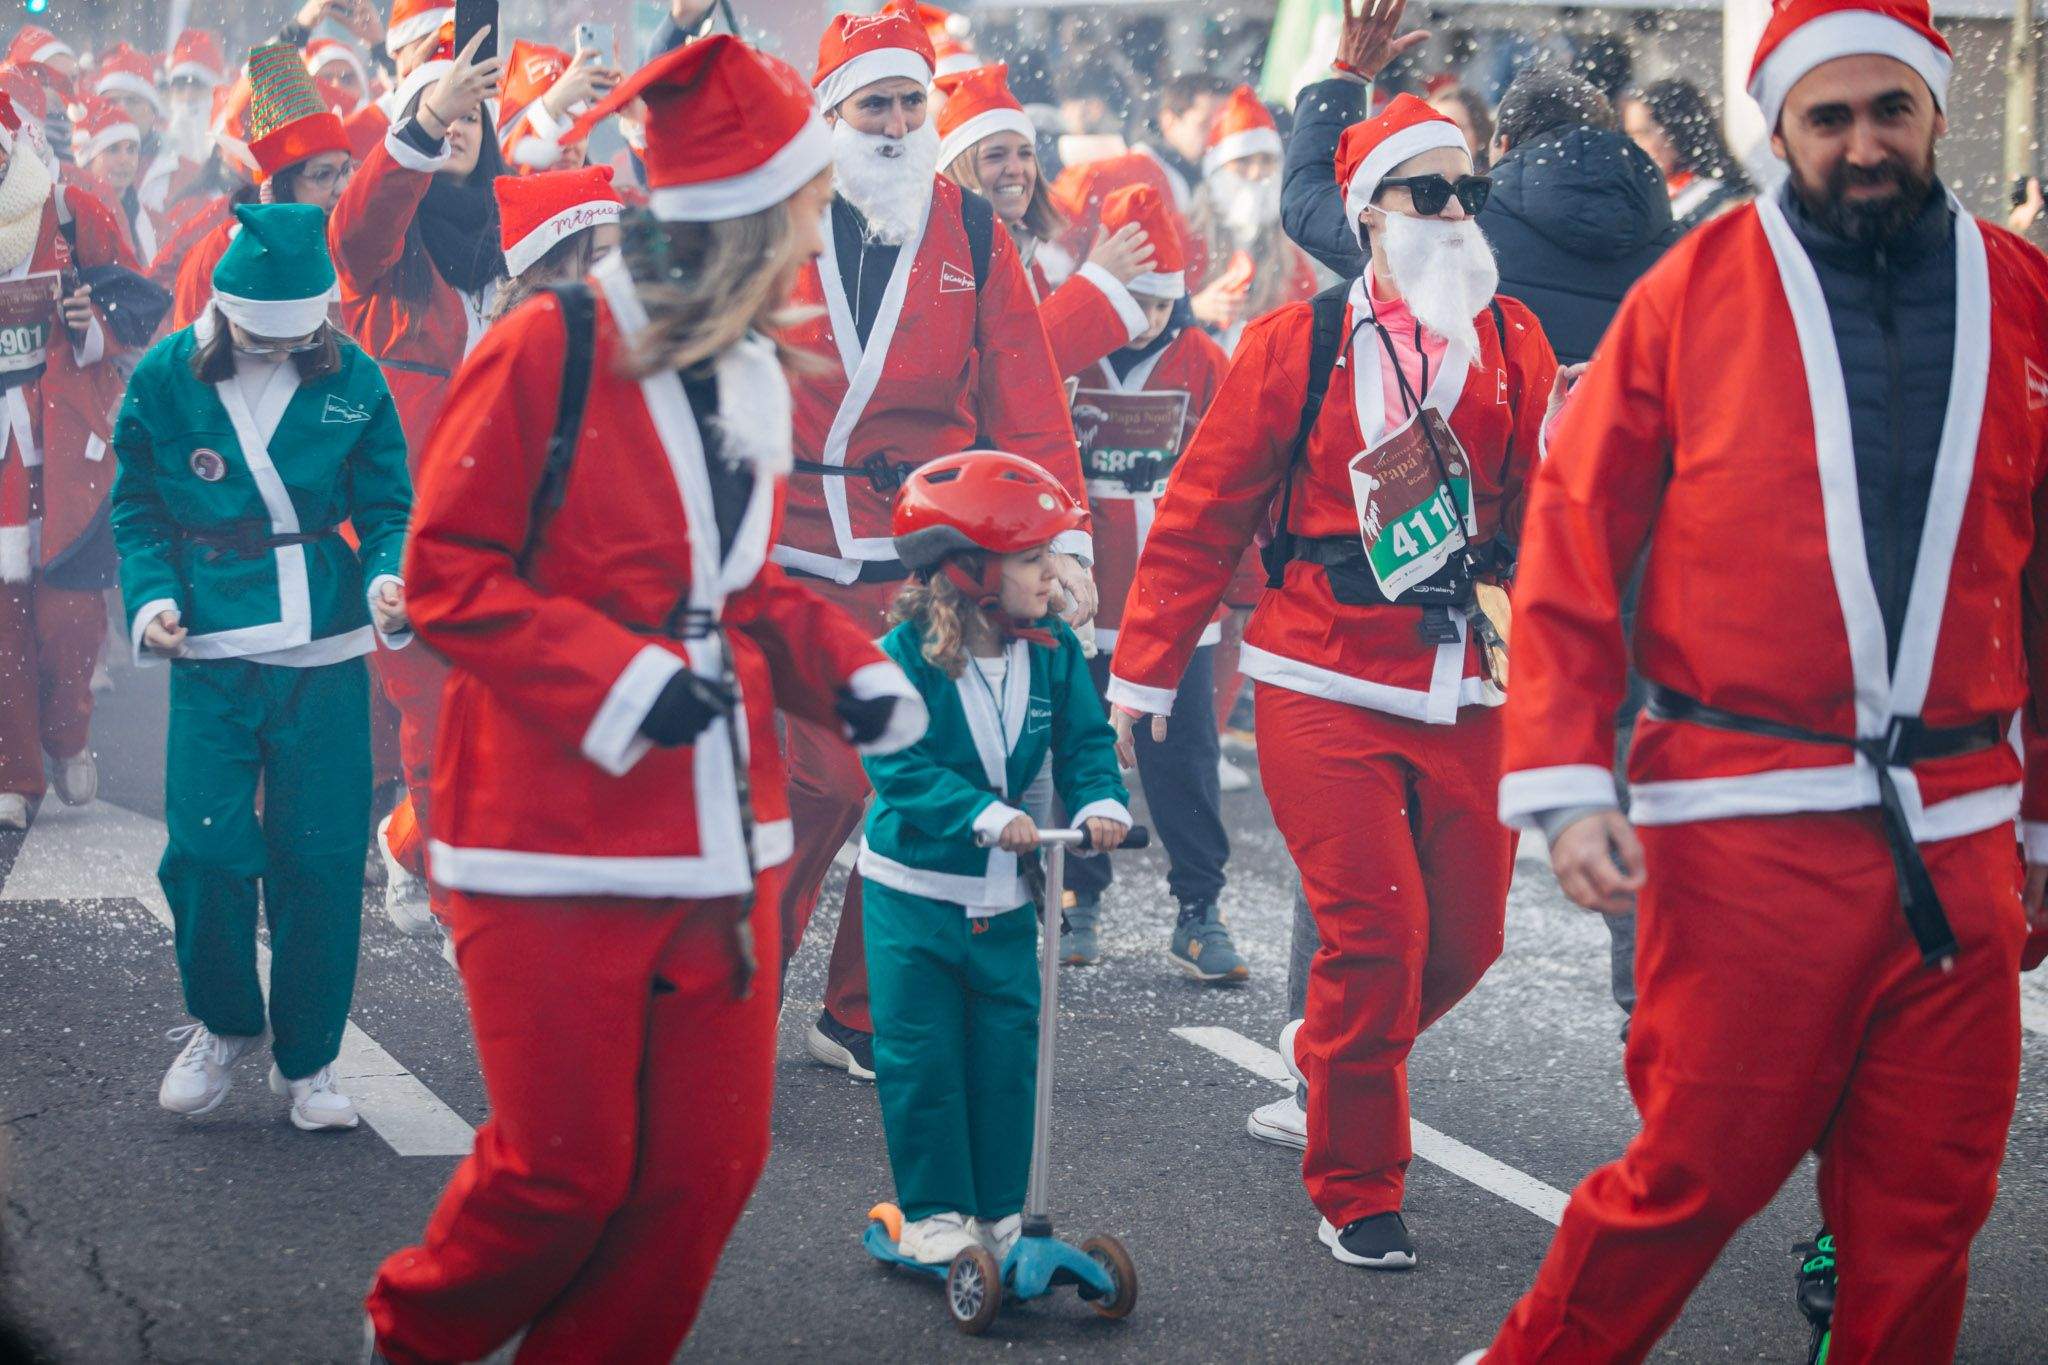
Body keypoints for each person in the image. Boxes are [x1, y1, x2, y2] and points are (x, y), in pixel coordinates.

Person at [1471, 0, 2048, 1357]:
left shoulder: (2022, 295)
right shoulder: (1694, 283)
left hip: (1961, 830)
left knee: (1926, 1210)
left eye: (1888, 111)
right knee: (1692, 1177)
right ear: (1779, 124)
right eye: (1829, 116)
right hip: (1741, 830)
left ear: (1935, 117)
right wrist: (1564, 776)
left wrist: (2038, 824)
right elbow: (1574, 522)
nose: (1862, 145)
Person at [364, 37, 923, 1361]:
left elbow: (734, 599)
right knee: (558, 1175)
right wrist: (618, 681)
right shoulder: (547, 346)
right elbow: (445, 575)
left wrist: (862, 676)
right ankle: (412, 1340)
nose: (818, 229)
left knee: (701, 1176)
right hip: (548, 832)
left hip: (717, 838)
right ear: (751, 210)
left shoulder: (742, 362)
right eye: (805, 203)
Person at [1109, 95, 1558, 1269]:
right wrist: (1147, 665)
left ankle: (1327, 1053)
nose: (1455, 211)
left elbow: (1549, 519)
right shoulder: (1292, 345)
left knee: (1464, 942)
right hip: (1314, 670)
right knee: (1376, 934)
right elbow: (1203, 511)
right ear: (1367, 213)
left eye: (1469, 189)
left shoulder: (1514, 340)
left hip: (1466, 675)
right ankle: (1358, 1182)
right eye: (1429, 191)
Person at [778, 7, 1093, 1083]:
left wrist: (1065, 542)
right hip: (790, 539)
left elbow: (1026, 394)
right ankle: (731, 980)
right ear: (831, 112)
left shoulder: (968, 228)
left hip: (928, 545)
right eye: (875, 102)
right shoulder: (775, 208)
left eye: (912, 100)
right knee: (815, 783)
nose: (898, 120)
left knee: (930, 774)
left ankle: (858, 1013)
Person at [110, 203, 412, 1131]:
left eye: (299, 336)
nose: (281, 351)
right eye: (258, 335)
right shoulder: (165, 373)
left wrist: (388, 575)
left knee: (321, 858)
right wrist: (152, 598)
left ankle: (310, 1060)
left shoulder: (354, 372)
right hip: (210, 644)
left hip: (324, 649)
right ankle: (225, 1023)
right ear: (221, 304)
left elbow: (388, 500)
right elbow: (137, 508)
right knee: (201, 851)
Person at [859, 451, 1130, 1262]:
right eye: (1032, 557)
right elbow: (895, 766)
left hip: (1007, 899)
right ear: (967, 567)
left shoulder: (1048, 652)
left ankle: (1004, 1211)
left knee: (1008, 1055)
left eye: (1051, 555)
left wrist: (1101, 802)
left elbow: (1084, 742)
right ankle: (938, 1212)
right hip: (914, 895)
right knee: (924, 1054)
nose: (1053, 574)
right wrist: (979, 811)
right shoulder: (903, 656)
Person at [329, 24, 505, 943]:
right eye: (442, 107)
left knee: (510, 729)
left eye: (476, 108)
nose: (461, 118)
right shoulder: (383, 259)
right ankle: (456, 901)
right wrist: (429, 115)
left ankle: (408, 842)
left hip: (512, 533)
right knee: (437, 724)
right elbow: (356, 225)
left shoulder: (523, 238)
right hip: (403, 532)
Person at [1062, 183, 1245, 976]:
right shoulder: (1072, 350)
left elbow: (1240, 471)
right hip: (1085, 594)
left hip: (1175, 605)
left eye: (1159, 303)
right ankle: (1077, 897)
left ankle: (1199, 905)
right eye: (1129, 300)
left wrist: (1240, 588)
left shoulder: (1203, 358)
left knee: (1185, 763)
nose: (1143, 319)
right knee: (1082, 755)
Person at [1288, 47, 1672, 369]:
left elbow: (1307, 203)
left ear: (1501, 144)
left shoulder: (1447, 228)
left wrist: (1348, 80)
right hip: (1630, 455)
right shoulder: (1687, 250)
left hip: (1491, 453)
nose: (1457, 210)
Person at [0, 90, 136, 831]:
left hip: (64, 433)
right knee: (3, 621)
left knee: (71, 610)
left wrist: (90, 324)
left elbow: (133, 301)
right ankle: (15, 771)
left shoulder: (70, 208)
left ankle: (69, 731)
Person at [934, 60, 1153, 378]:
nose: (1017, 168)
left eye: (1025, 154)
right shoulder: (948, 261)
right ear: (956, 171)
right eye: (995, 155)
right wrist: (1096, 284)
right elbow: (1011, 369)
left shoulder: (1027, 256)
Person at [172, 44, 356, 331]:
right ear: (279, 185)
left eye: (346, 169)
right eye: (323, 175)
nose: (342, 188)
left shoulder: (355, 245)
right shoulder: (221, 252)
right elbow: (187, 362)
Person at [1185, 85, 1318, 350]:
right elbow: (1143, 319)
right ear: (1218, 170)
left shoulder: (1291, 258)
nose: (1257, 173)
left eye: (1266, 161)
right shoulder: (1182, 236)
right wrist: (1192, 309)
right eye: (1243, 161)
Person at [488, 163, 622, 320]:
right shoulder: (540, 340)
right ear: (549, 274)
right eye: (601, 260)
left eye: (622, 255)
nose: (620, 270)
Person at [1624, 77, 1755, 231]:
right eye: (1630, 136)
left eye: (1644, 134)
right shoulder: (1643, 202)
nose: (1633, 147)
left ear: (1676, 132)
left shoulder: (1720, 203)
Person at [498, 39, 622, 173]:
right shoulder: (489, 189)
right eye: (554, 125)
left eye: (576, 126)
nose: (566, 145)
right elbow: (510, 173)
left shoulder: (604, 191)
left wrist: (637, 116)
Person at [1137, 72, 1228, 214]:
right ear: (1169, 121)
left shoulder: (1219, 175)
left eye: (1224, 126)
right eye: (1205, 125)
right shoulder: (1139, 175)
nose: (1218, 135)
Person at [1429, 82, 1494, 165]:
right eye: (1438, 129)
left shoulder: (1498, 176)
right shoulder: (1412, 175)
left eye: (1457, 128)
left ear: (1479, 132)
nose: (1446, 139)